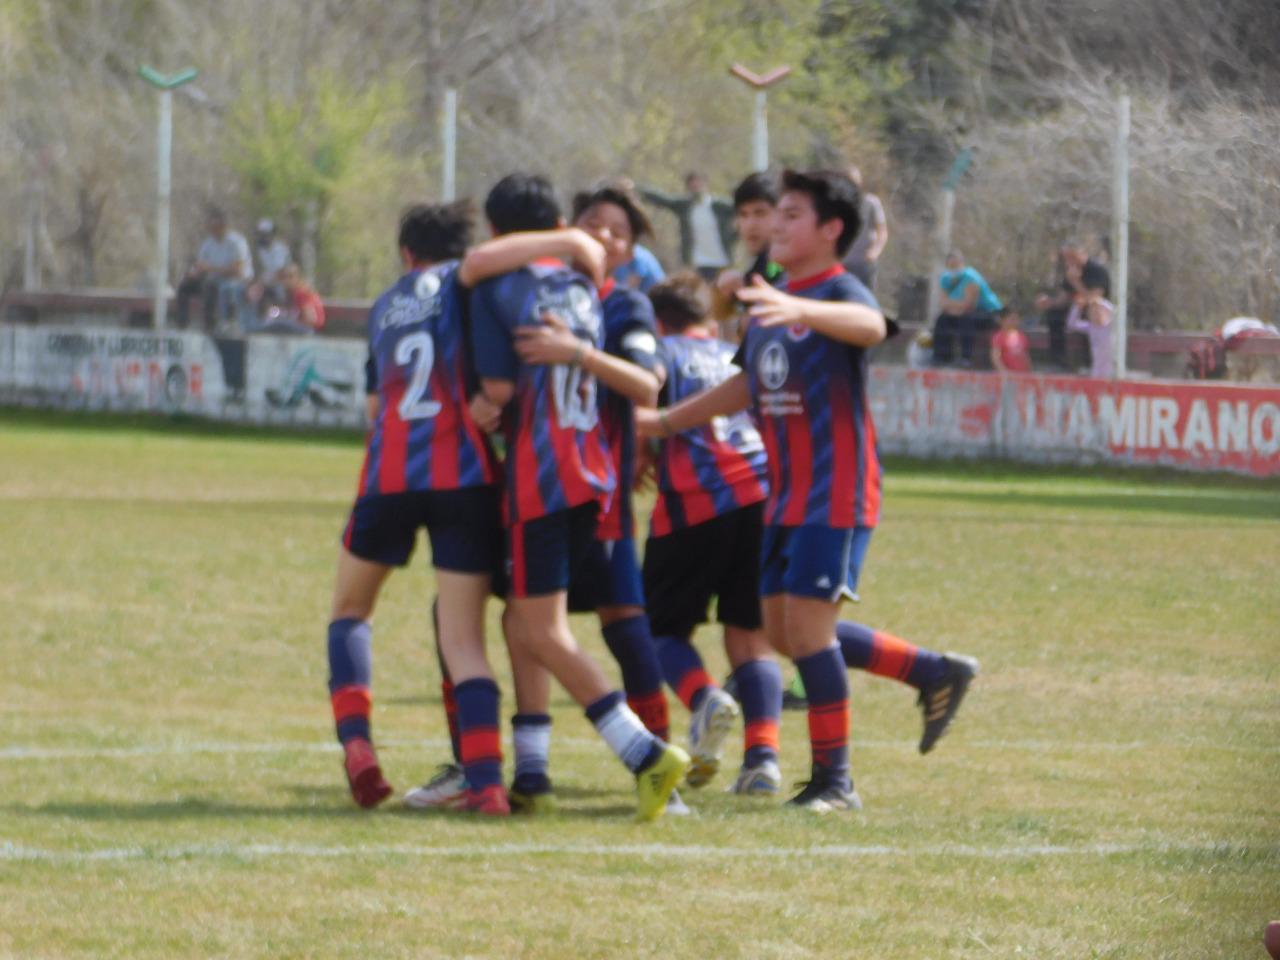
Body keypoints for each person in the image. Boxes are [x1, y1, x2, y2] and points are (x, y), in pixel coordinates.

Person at [638, 169, 976, 812]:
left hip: (835, 493)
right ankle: (931, 670)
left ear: (831, 230)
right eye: (775, 214)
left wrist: (801, 307)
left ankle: (833, 782)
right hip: (785, 493)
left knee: (810, 635)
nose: (776, 225)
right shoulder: (776, 297)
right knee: (782, 631)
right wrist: (664, 421)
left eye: (792, 215)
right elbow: (745, 387)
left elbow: (871, 327)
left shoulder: (833, 291)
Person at [328, 200, 610, 815]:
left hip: (389, 475)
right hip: (465, 477)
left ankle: (359, 748)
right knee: (462, 640)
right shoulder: (469, 285)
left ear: (406, 254)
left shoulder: (385, 304)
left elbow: (377, 412)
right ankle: (486, 783)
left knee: (350, 611)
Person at [469, 173, 689, 822]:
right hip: (583, 476)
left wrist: (566, 360)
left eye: (618, 231)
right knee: (524, 619)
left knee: (599, 626)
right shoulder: (576, 291)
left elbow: (647, 387)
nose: (603, 237)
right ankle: (533, 767)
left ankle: (650, 758)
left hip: (566, 480)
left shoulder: (614, 303)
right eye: (592, 223)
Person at [644, 271, 780, 795]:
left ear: (659, 321)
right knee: (751, 635)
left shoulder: (661, 351)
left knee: (658, 630)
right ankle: (763, 760)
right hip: (762, 495)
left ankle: (704, 700)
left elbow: (643, 402)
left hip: (696, 503)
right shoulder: (734, 356)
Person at [713, 172, 783, 343]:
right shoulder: (758, 265)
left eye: (760, 213)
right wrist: (722, 296)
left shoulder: (782, 264)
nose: (750, 224)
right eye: (743, 215)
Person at [640, 173, 736, 282]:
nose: (696, 188)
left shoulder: (719, 206)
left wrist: (733, 237)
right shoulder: (684, 207)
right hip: (697, 262)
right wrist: (637, 189)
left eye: (698, 184)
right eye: (693, 186)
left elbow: (741, 211)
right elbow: (663, 200)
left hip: (722, 261)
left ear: (705, 184)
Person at [1035, 242, 1111, 371]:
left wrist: (1076, 282)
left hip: (1099, 312)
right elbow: (1063, 298)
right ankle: (1058, 361)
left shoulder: (1097, 270)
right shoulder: (1071, 272)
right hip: (1078, 308)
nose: (1068, 261)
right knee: (1054, 316)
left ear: (1082, 254)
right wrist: (1049, 302)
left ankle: (1089, 363)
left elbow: (1093, 299)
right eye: (1066, 258)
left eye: (1072, 257)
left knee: (1089, 321)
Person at [174, 208, 253, 332]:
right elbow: (200, 264)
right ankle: (182, 324)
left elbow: (237, 270)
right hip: (213, 279)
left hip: (236, 281)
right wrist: (193, 273)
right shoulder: (208, 243)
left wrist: (211, 269)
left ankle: (213, 326)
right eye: (211, 227)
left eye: (216, 227)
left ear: (223, 226)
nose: (213, 230)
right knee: (185, 287)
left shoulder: (236, 242)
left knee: (213, 287)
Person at [932, 250, 1002, 367]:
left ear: (962, 263)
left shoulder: (971, 277)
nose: (953, 266)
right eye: (950, 264)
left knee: (966, 320)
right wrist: (954, 307)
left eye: (956, 263)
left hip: (988, 313)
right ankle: (941, 357)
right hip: (958, 312)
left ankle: (966, 358)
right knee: (942, 320)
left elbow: (969, 304)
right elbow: (943, 303)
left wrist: (952, 306)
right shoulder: (945, 278)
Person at [840, 165, 888, 292]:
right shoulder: (839, 205)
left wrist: (875, 251)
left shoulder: (871, 202)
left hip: (864, 263)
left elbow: (882, 231)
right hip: (843, 262)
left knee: (863, 298)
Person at [1067, 267, 1115, 379]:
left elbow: (1114, 311)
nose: (1096, 314)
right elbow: (1071, 324)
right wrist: (1078, 307)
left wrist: (1099, 302)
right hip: (1097, 370)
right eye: (1092, 312)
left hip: (1112, 371)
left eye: (1098, 311)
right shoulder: (1090, 327)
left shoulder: (1111, 325)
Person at [253, 263, 324, 335]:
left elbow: (310, 319)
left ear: (296, 277)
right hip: (305, 328)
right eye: (282, 277)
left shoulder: (301, 293)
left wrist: (293, 321)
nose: (284, 281)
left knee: (279, 323)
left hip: (308, 330)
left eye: (288, 277)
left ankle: (253, 333)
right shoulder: (291, 292)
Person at [247, 219, 291, 319]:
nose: (263, 237)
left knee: (278, 292)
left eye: (265, 234)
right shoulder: (256, 251)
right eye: (261, 234)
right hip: (259, 284)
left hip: (278, 283)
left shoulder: (281, 250)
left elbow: (283, 271)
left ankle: (277, 318)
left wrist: (266, 282)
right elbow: (252, 270)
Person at [990, 304, 1031, 373]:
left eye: (1017, 319)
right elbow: (995, 357)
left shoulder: (1022, 336)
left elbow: (1026, 356)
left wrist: (1029, 372)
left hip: (1022, 375)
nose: (1015, 322)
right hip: (1007, 377)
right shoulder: (998, 337)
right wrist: (1004, 372)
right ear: (1002, 320)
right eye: (1012, 319)